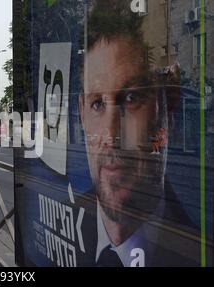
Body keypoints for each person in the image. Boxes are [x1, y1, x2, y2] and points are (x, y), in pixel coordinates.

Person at [76, 0, 199, 266]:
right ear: (82, 112)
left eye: (131, 98)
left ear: (169, 107)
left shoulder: (198, 250)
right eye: (97, 103)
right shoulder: (69, 218)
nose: (110, 134)